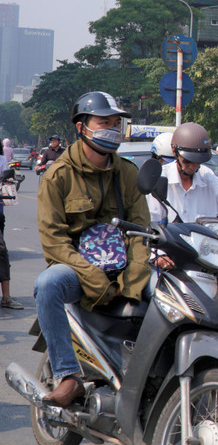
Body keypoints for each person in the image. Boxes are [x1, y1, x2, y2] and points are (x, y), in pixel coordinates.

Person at [34, 92, 151, 406]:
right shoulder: (56, 177)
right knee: (47, 284)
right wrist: (97, 281)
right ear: (82, 126)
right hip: (77, 271)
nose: (112, 129)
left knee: (173, 293)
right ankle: (68, 376)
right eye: (104, 122)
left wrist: (132, 283)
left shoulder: (127, 173)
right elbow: (55, 244)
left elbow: (141, 234)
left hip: (123, 270)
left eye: (116, 123)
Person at [146, 123, 218, 233]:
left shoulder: (207, 176)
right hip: (168, 247)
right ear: (175, 151)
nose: (193, 166)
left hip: (205, 247)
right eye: (187, 160)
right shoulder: (161, 178)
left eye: (198, 161)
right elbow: (151, 218)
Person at [0, 146, 17, 310]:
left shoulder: (1, 159)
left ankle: (6, 296)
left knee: (2, 251)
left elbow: (7, 180)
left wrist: (8, 184)